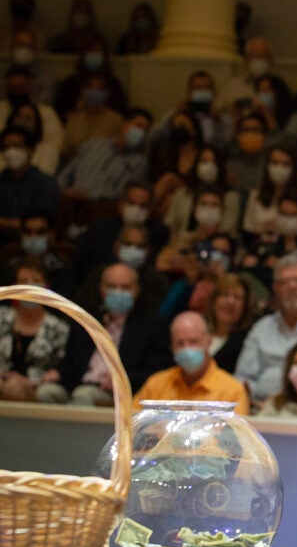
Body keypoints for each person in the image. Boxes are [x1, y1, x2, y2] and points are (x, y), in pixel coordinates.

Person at [58, 262, 172, 404]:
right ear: (101, 289)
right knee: (47, 392)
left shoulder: (152, 325)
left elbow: (158, 371)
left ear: (137, 289)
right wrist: (58, 373)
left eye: (125, 287)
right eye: (112, 287)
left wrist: (121, 379)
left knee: (83, 395)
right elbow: (70, 361)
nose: (118, 292)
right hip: (80, 383)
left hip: (120, 393)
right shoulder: (87, 321)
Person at [234, 252, 297, 405]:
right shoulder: (261, 328)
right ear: (275, 288)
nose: (292, 286)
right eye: (284, 282)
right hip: (262, 412)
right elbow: (242, 379)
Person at [133, 311, 250, 414]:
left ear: (209, 342)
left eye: (193, 342)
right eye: (180, 343)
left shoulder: (233, 390)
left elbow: (236, 437)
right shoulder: (155, 385)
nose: (186, 348)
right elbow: (131, 425)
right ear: (172, 348)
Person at [0, 257, 71, 403]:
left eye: (36, 281)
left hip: (39, 384)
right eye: (23, 281)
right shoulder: (1, 317)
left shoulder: (59, 327)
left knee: (19, 389)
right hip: (2, 380)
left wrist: (29, 382)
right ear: (14, 287)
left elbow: (65, 368)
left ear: (47, 287)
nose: (30, 287)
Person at [0, 125, 60, 248]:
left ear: (31, 150)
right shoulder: (1, 179)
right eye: (6, 147)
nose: (11, 152)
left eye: (17, 146)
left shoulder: (45, 183)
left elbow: (39, 224)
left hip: (33, 243)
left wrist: (5, 223)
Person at [0, 66, 63, 174]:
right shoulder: (1, 109)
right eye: (12, 87)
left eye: (20, 87)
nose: (16, 92)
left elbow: (56, 143)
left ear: (29, 87)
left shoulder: (46, 112)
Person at [204, 272, 257, 374]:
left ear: (244, 307)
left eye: (237, 297)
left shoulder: (247, 343)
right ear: (214, 301)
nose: (230, 301)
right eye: (225, 295)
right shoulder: (196, 333)